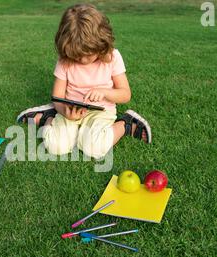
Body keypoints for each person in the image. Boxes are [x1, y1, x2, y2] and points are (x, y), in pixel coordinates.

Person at [17, 3, 151, 159]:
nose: (82, 59)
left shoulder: (112, 58)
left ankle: (126, 124)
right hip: (71, 110)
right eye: (76, 55)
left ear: (101, 43)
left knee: (94, 149)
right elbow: (57, 96)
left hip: (101, 112)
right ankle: (48, 117)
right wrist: (64, 111)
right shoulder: (65, 61)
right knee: (55, 147)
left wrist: (105, 93)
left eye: (88, 54)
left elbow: (125, 94)